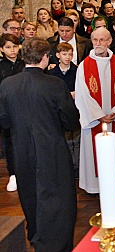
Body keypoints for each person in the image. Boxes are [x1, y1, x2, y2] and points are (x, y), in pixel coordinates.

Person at [0, 38, 80, 251]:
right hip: (53, 151)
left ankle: (36, 236)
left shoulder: (7, 85)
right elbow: (71, 121)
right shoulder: (55, 84)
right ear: (45, 57)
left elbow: (4, 121)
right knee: (60, 200)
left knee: (29, 195)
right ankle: (57, 244)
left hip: (22, 151)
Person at [76, 27, 115, 194]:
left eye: (102, 40)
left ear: (109, 41)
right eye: (95, 40)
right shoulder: (84, 66)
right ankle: (95, 186)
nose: (98, 43)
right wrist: (99, 115)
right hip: (95, 120)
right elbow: (83, 94)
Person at [0, 34, 23, 191]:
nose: (12, 50)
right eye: (8, 47)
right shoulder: (1, 66)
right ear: (1, 49)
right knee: (9, 142)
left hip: (25, 107)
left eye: (15, 46)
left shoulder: (25, 64)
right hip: (7, 109)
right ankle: (13, 174)